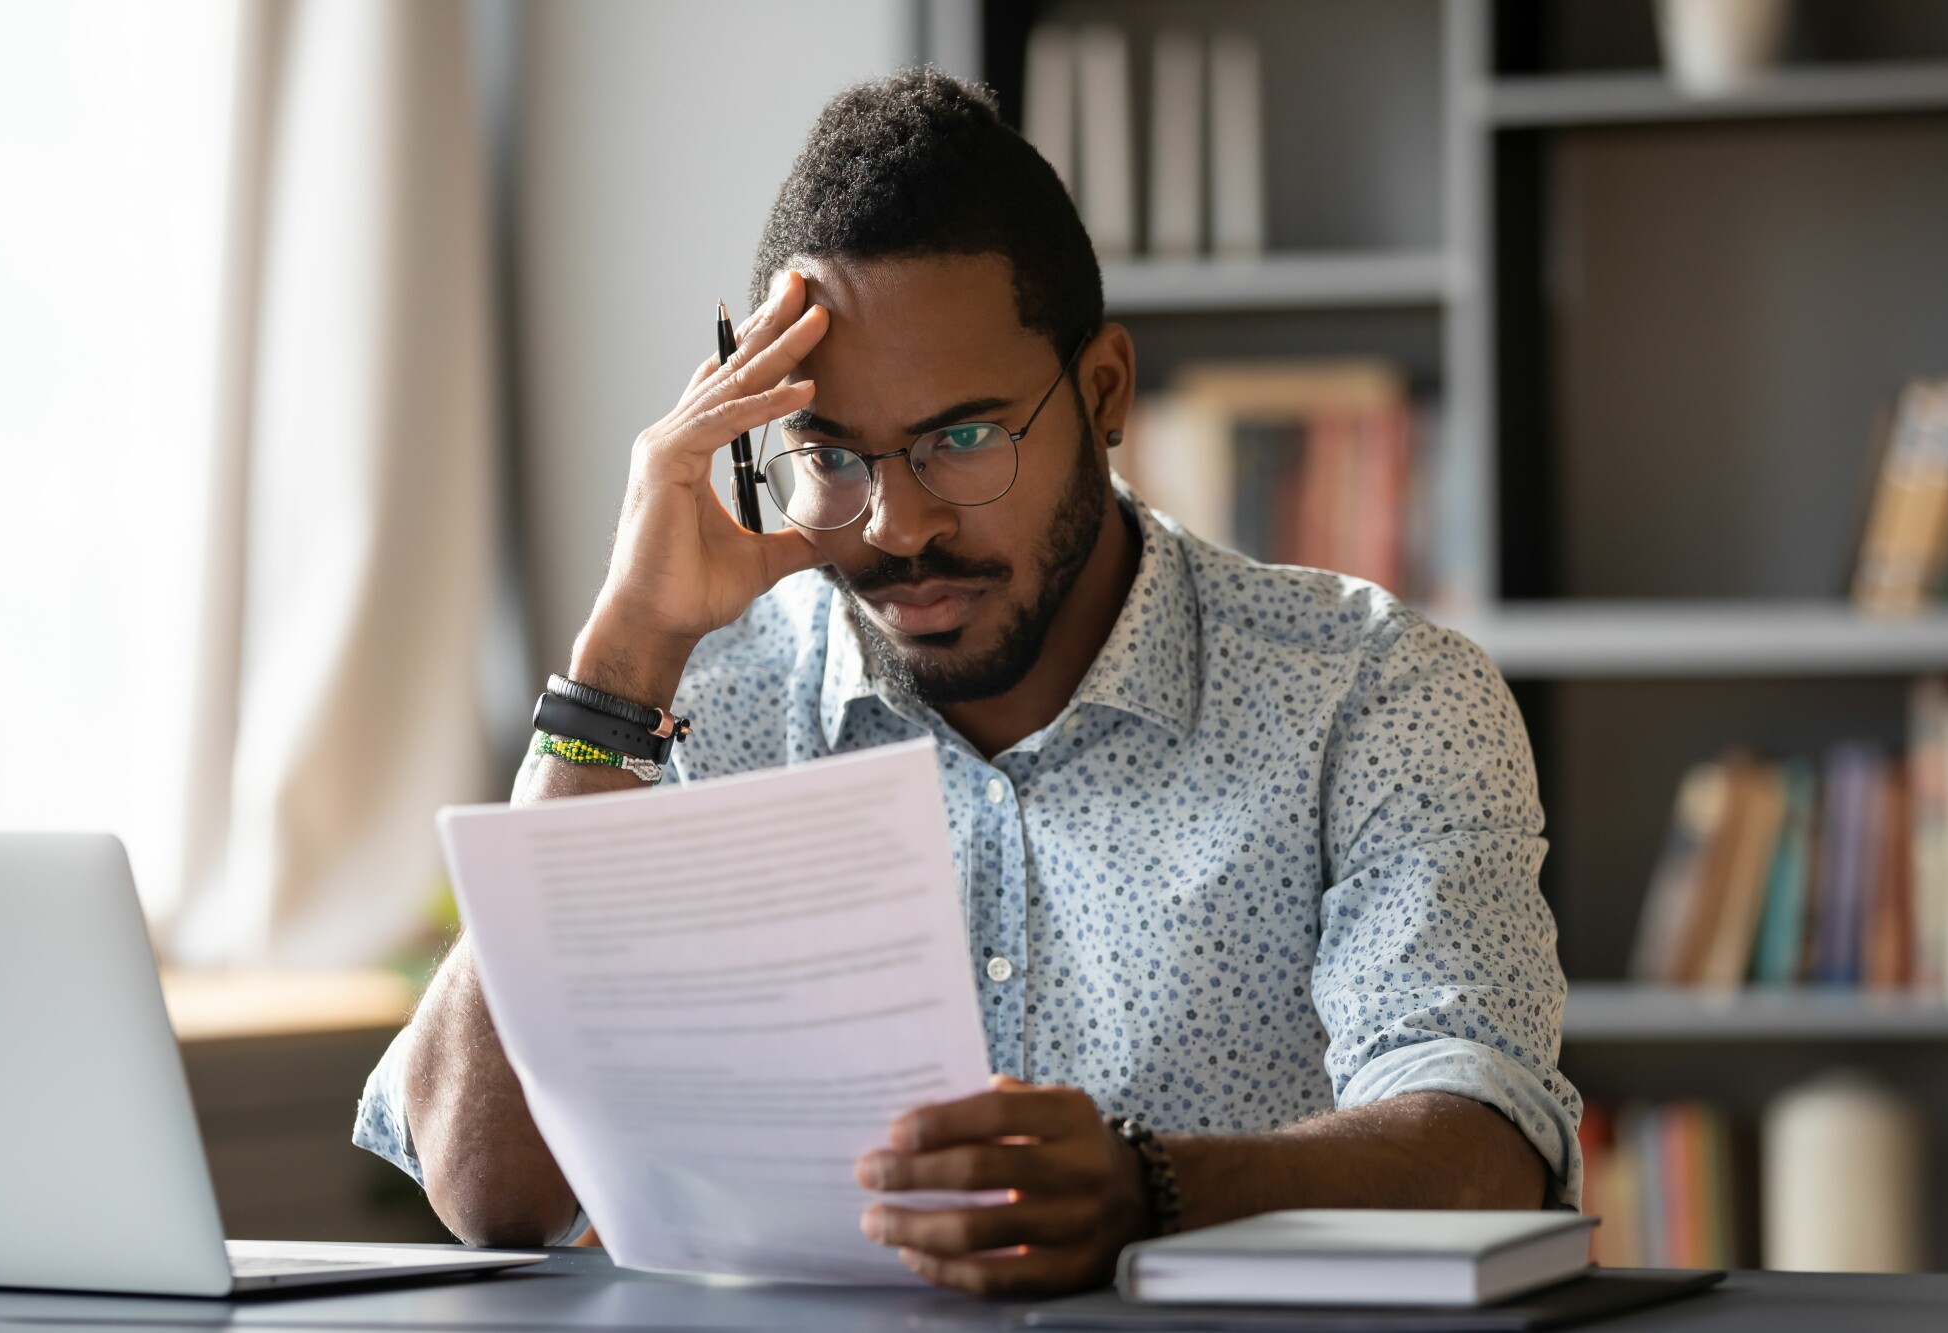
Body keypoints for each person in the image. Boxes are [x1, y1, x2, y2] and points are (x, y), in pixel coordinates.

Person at [354, 69, 1580, 1299]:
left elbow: (1483, 1142)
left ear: (1102, 392)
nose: (898, 526)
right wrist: (617, 662)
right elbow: (485, 1186)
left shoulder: (1371, 696)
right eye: (830, 455)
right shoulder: (698, 700)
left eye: (961, 438)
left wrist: (1154, 1193)